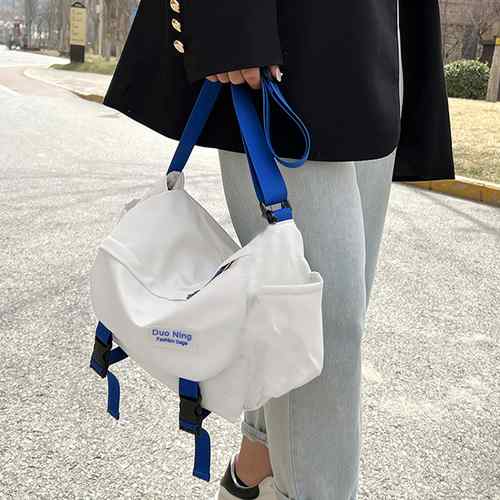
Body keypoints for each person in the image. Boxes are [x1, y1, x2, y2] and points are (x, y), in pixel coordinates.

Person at [103, 0, 454, 498]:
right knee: (320, 324)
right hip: (290, 35)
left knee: (319, 321)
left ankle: (258, 464)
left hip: (375, 36)